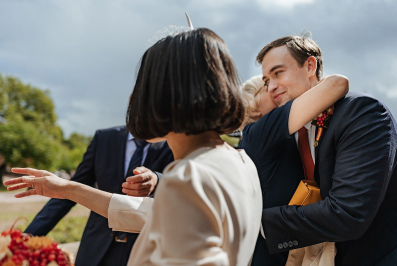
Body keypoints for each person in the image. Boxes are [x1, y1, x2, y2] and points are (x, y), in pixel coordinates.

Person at [5, 28, 263, 266]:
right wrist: (68, 189)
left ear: (165, 96)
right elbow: (153, 216)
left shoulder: (189, 177)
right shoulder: (241, 162)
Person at [251, 35, 397, 265]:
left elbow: (349, 213)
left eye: (278, 73)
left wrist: (261, 224)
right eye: (266, 80)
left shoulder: (362, 114)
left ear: (310, 66)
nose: (271, 87)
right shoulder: (291, 134)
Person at [24, 125, 173, 266]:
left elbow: (182, 186)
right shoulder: (104, 137)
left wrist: (158, 179)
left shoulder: (173, 141)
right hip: (95, 247)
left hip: (145, 250)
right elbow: (68, 192)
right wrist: (29, 235)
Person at [239, 73, 348, 265]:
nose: (274, 88)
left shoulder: (267, 138)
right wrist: (308, 88)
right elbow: (337, 84)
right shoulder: (260, 131)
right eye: (265, 85)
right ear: (252, 104)